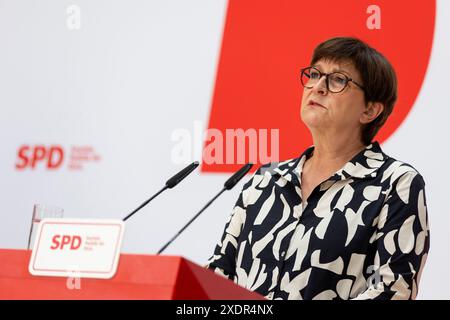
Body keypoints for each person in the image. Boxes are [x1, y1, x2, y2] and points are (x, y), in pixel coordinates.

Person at [206, 37, 430, 300]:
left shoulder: (396, 183)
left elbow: (393, 291)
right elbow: (218, 275)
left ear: (370, 110)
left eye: (338, 80)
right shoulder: (266, 180)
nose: (318, 87)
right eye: (314, 74)